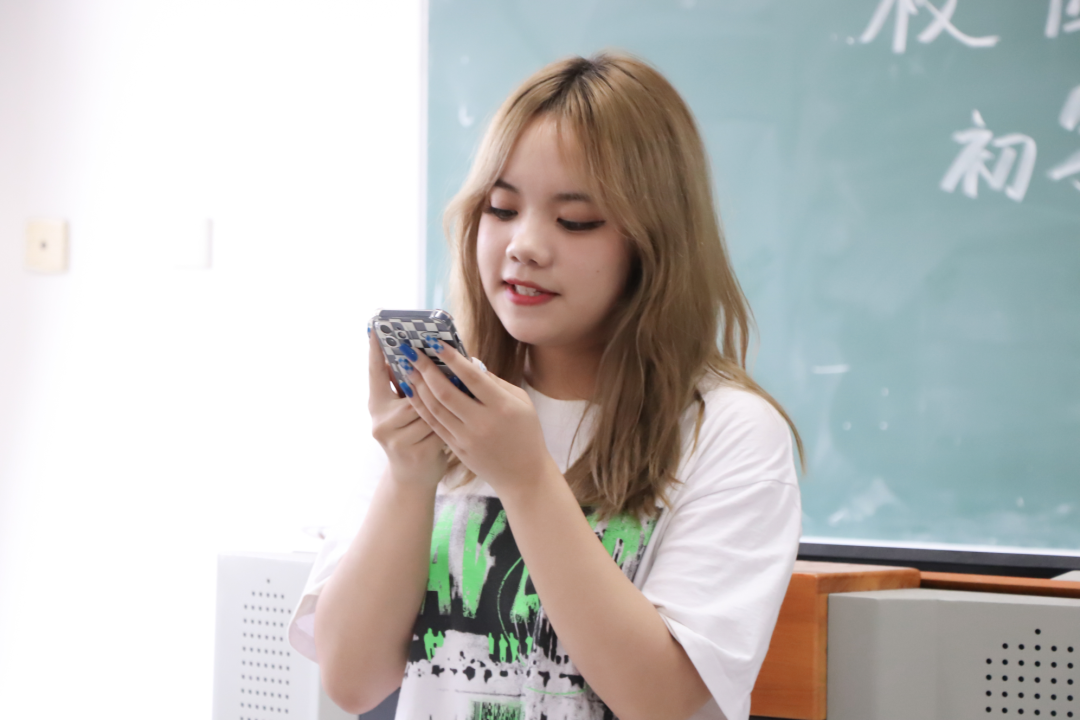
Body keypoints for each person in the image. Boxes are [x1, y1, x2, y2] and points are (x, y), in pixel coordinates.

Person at [287, 52, 803, 720]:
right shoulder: (443, 402)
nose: (524, 245)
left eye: (576, 221)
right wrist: (408, 476)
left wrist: (527, 479)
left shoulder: (729, 432)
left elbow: (662, 700)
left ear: (654, 243)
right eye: (501, 208)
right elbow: (353, 680)